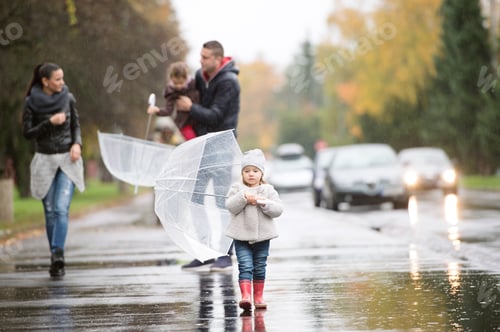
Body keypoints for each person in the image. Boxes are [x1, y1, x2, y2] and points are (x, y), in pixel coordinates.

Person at [177, 40, 241, 272]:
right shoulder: (200, 76)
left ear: (217, 59)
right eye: (200, 56)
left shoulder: (229, 82)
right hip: (202, 148)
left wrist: (189, 108)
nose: (200, 61)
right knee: (196, 200)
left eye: (205, 57)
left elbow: (215, 116)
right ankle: (204, 252)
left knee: (223, 202)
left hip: (222, 148)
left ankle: (225, 254)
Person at [23, 62, 85, 278]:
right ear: (45, 81)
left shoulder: (68, 98)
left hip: (67, 160)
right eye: (58, 79)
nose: (62, 82)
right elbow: (28, 133)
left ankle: (58, 253)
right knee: (49, 211)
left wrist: (77, 144)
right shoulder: (31, 102)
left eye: (62, 78)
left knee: (60, 208)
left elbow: (76, 125)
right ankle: (55, 256)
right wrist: (49, 122)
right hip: (44, 160)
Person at [225, 149, 283, 310]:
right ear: (242, 173)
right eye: (247, 171)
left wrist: (264, 203)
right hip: (241, 236)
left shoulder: (268, 190)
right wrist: (243, 198)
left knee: (259, 265)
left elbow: (278, 210)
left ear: (261, 173)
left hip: (263, 237)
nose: (251, 174)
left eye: (255, 171)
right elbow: (230, 206)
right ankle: (245, 296)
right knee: (245, 265)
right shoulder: (237, 189)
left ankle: (258, 297)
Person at [147, 61, 199, 142]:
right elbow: (168, 110)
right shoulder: (171, 92)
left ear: (186, 78)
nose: (178, 86)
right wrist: (157, 110)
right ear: (170, 79)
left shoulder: (195, 85)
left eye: (181, 83)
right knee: (193, 142)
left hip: (199, 119)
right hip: (185, 123)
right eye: (175, 83)